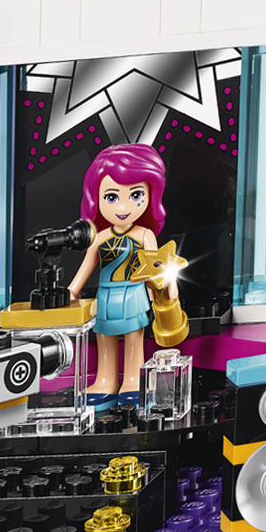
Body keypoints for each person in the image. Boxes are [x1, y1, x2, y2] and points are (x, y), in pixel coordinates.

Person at [65, 144, 168, 401]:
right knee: (104, 338)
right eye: (111, 197)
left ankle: (133, 380)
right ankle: (106, 381)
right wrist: (72, 291)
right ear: (96, 198)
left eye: (136, 195)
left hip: (134, 294)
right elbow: (86, 267)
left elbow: (155, 268)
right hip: (105, 296)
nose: (123, 206)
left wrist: (160, 292)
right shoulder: (99, 238)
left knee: (134, 339)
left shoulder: (144, 235)